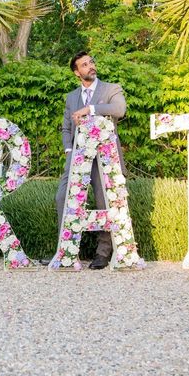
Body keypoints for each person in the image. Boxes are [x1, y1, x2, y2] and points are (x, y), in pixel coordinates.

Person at [56, 50, 127, 269]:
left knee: (103, 200)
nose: (90, 66)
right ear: (77, 73)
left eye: (91, 62)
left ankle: (103, 253)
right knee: (62, 196)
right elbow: (66, 127)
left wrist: (90, 109)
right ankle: (66, 251)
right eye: (85, 65)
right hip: (77, 157)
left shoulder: (111, 89)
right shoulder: (71, 97)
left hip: (105, 158)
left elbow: (119, 109)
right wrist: (69, 151)